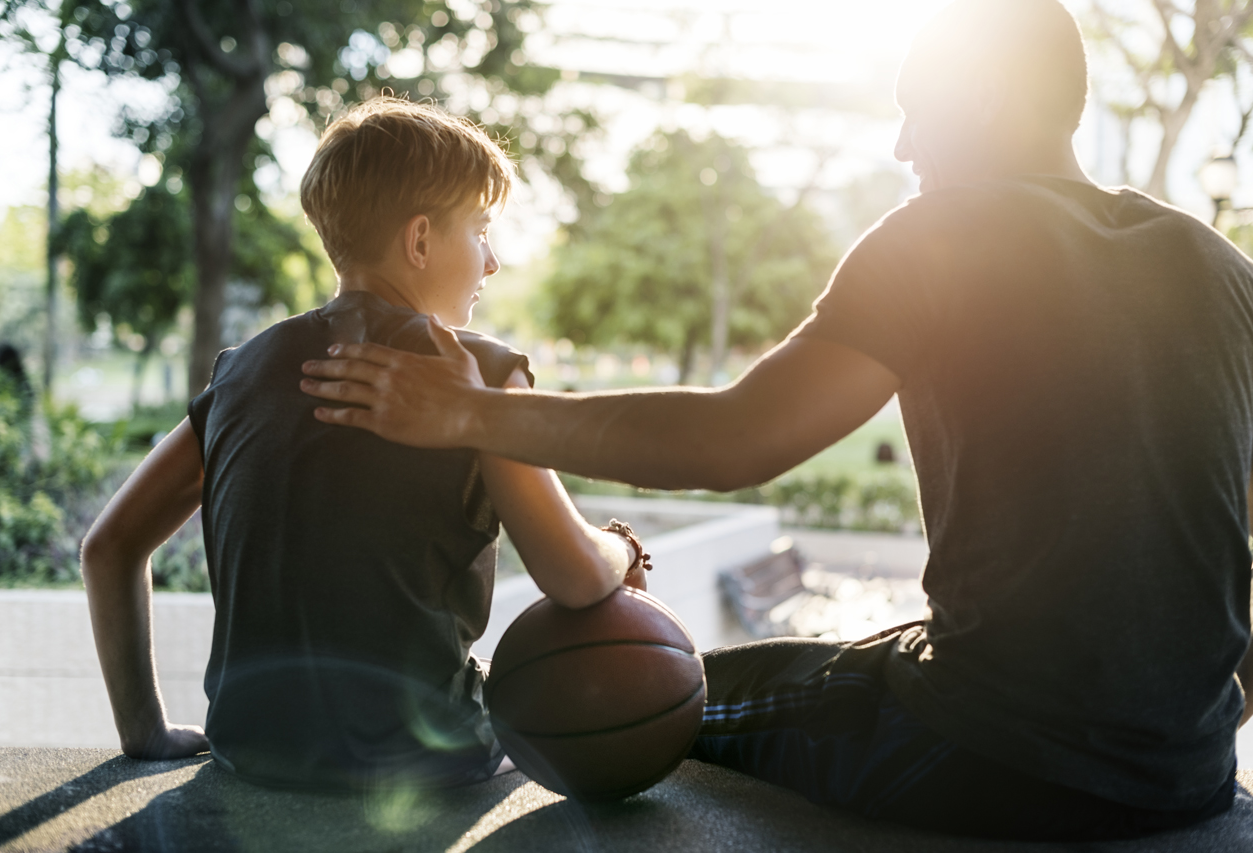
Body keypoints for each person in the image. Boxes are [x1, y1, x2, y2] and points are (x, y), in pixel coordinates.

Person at [300, 0, 1253, 840]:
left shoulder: (946, 233)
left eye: (918, 111)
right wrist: (1189, 734)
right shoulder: (1219, 268)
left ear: (989, 101)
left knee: (652, 690)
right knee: (811, 661)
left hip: (990, 756)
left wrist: (472, 413)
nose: (903, 147)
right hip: (1192, 775)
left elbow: (733, 437)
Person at [80, 98, 647, 792]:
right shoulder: (483, 375)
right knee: (614, 663)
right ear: (419, 241)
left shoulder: (240, 373)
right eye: (480, 229)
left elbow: (108, 548)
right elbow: (576, 577)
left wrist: (146, 734)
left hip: (248, 751)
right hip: (421, 762)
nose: (493, 262)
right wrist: (623, 549)